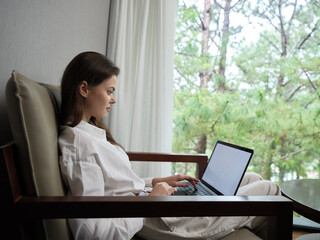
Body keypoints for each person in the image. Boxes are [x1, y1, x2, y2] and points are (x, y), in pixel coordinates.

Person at [58, 51, 281, 240]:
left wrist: (156, 182)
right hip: (158, 218)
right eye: (109, 91)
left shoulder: (89, 133)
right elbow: (89, 230)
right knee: (268, 190)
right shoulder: (80, 145)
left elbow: (116, 185)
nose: (113, 99)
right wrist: (152, 201)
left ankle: (234, 222)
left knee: (252, 178)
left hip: (151, 204)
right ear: (84, 89)